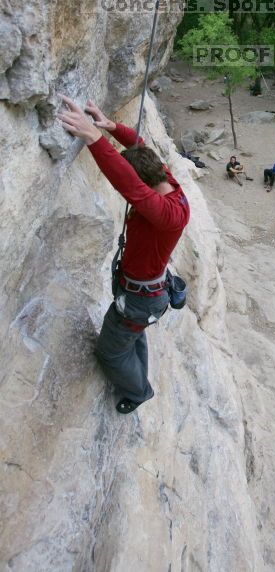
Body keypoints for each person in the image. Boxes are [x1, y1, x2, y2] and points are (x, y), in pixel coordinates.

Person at [57, 95, 190, 414]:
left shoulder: (166, 213)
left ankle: (139, 391)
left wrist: (94, 138)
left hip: (141, 298)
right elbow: (142, 146)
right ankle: (137, 373)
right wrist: (111, 126)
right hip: (142, 294)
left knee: (111, 353)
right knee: (131, 334)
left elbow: (129, 185)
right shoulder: (167, 182)